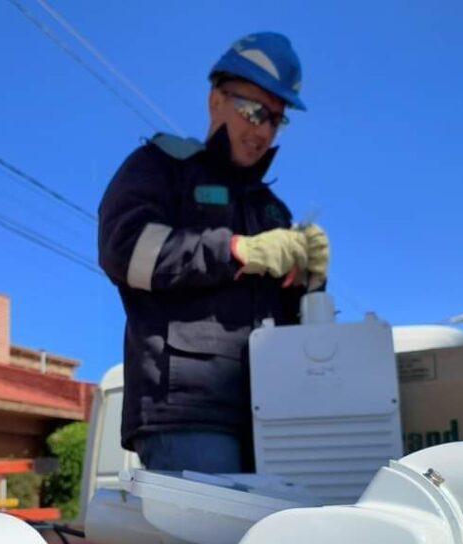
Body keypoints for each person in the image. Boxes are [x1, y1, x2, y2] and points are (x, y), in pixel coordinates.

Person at [98, 32, 330, 474]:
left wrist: (311, 281)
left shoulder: (271, 209)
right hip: (188, 413)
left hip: (273, 413)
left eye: (275, 120)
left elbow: (292, 323)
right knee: (214, 523)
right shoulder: (163, 167)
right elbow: (124, 250)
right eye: (254, 111)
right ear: (215, 101)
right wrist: (238, 250)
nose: (263, 131)